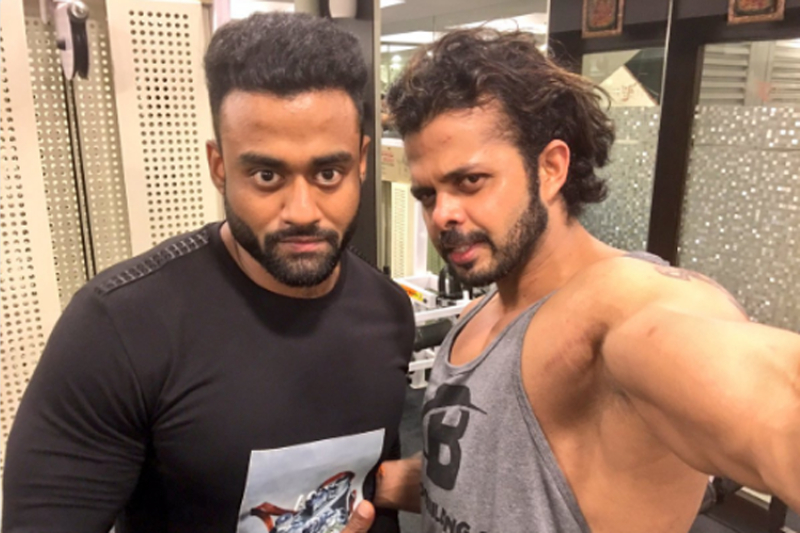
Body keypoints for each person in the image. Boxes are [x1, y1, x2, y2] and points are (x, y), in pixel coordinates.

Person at [348, 27, 800, 533]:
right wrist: (344, 487)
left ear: (550, 168)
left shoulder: (618, 305)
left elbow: (777, 396)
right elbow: (471, 484)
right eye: (428, 195)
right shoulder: (481, 314)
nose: (442, 215)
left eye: (470, 181)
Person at [3, 13, 415, 533]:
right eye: (266, 175)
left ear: (362, 160)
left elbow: (367, 485)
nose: (302, 211)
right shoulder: (119, 329)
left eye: (328, 173)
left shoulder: (389, 311)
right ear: (220, 167)